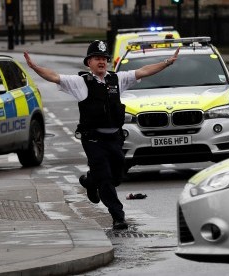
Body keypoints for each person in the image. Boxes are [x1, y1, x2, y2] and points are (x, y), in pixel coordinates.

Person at [24, 40, 179, 230]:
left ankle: (90, 181)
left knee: (117, 176)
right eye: (97, 58)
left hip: (114, 138)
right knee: (105, 180)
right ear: (88, 62)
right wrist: (34, 67)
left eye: (104, 59)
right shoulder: (81, 82)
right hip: (93, 140)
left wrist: (167, 62)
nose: (101, 62)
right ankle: (118, 217)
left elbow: (144, 71)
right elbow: (54, 76)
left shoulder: (117, 79)